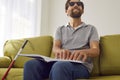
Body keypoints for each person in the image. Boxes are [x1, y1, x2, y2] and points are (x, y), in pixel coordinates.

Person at [23, 0, 100, 80]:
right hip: (59, 63)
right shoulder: (60, 29)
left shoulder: (91, 29)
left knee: (60, 66)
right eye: (72, 4)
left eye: (79, 4)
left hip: (80, 66)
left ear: (83, 10)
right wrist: (60, 51)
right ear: (66, 11)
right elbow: (55, 48)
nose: (76, 5)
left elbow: (96, 50)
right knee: (30, 64)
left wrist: (84, 52)